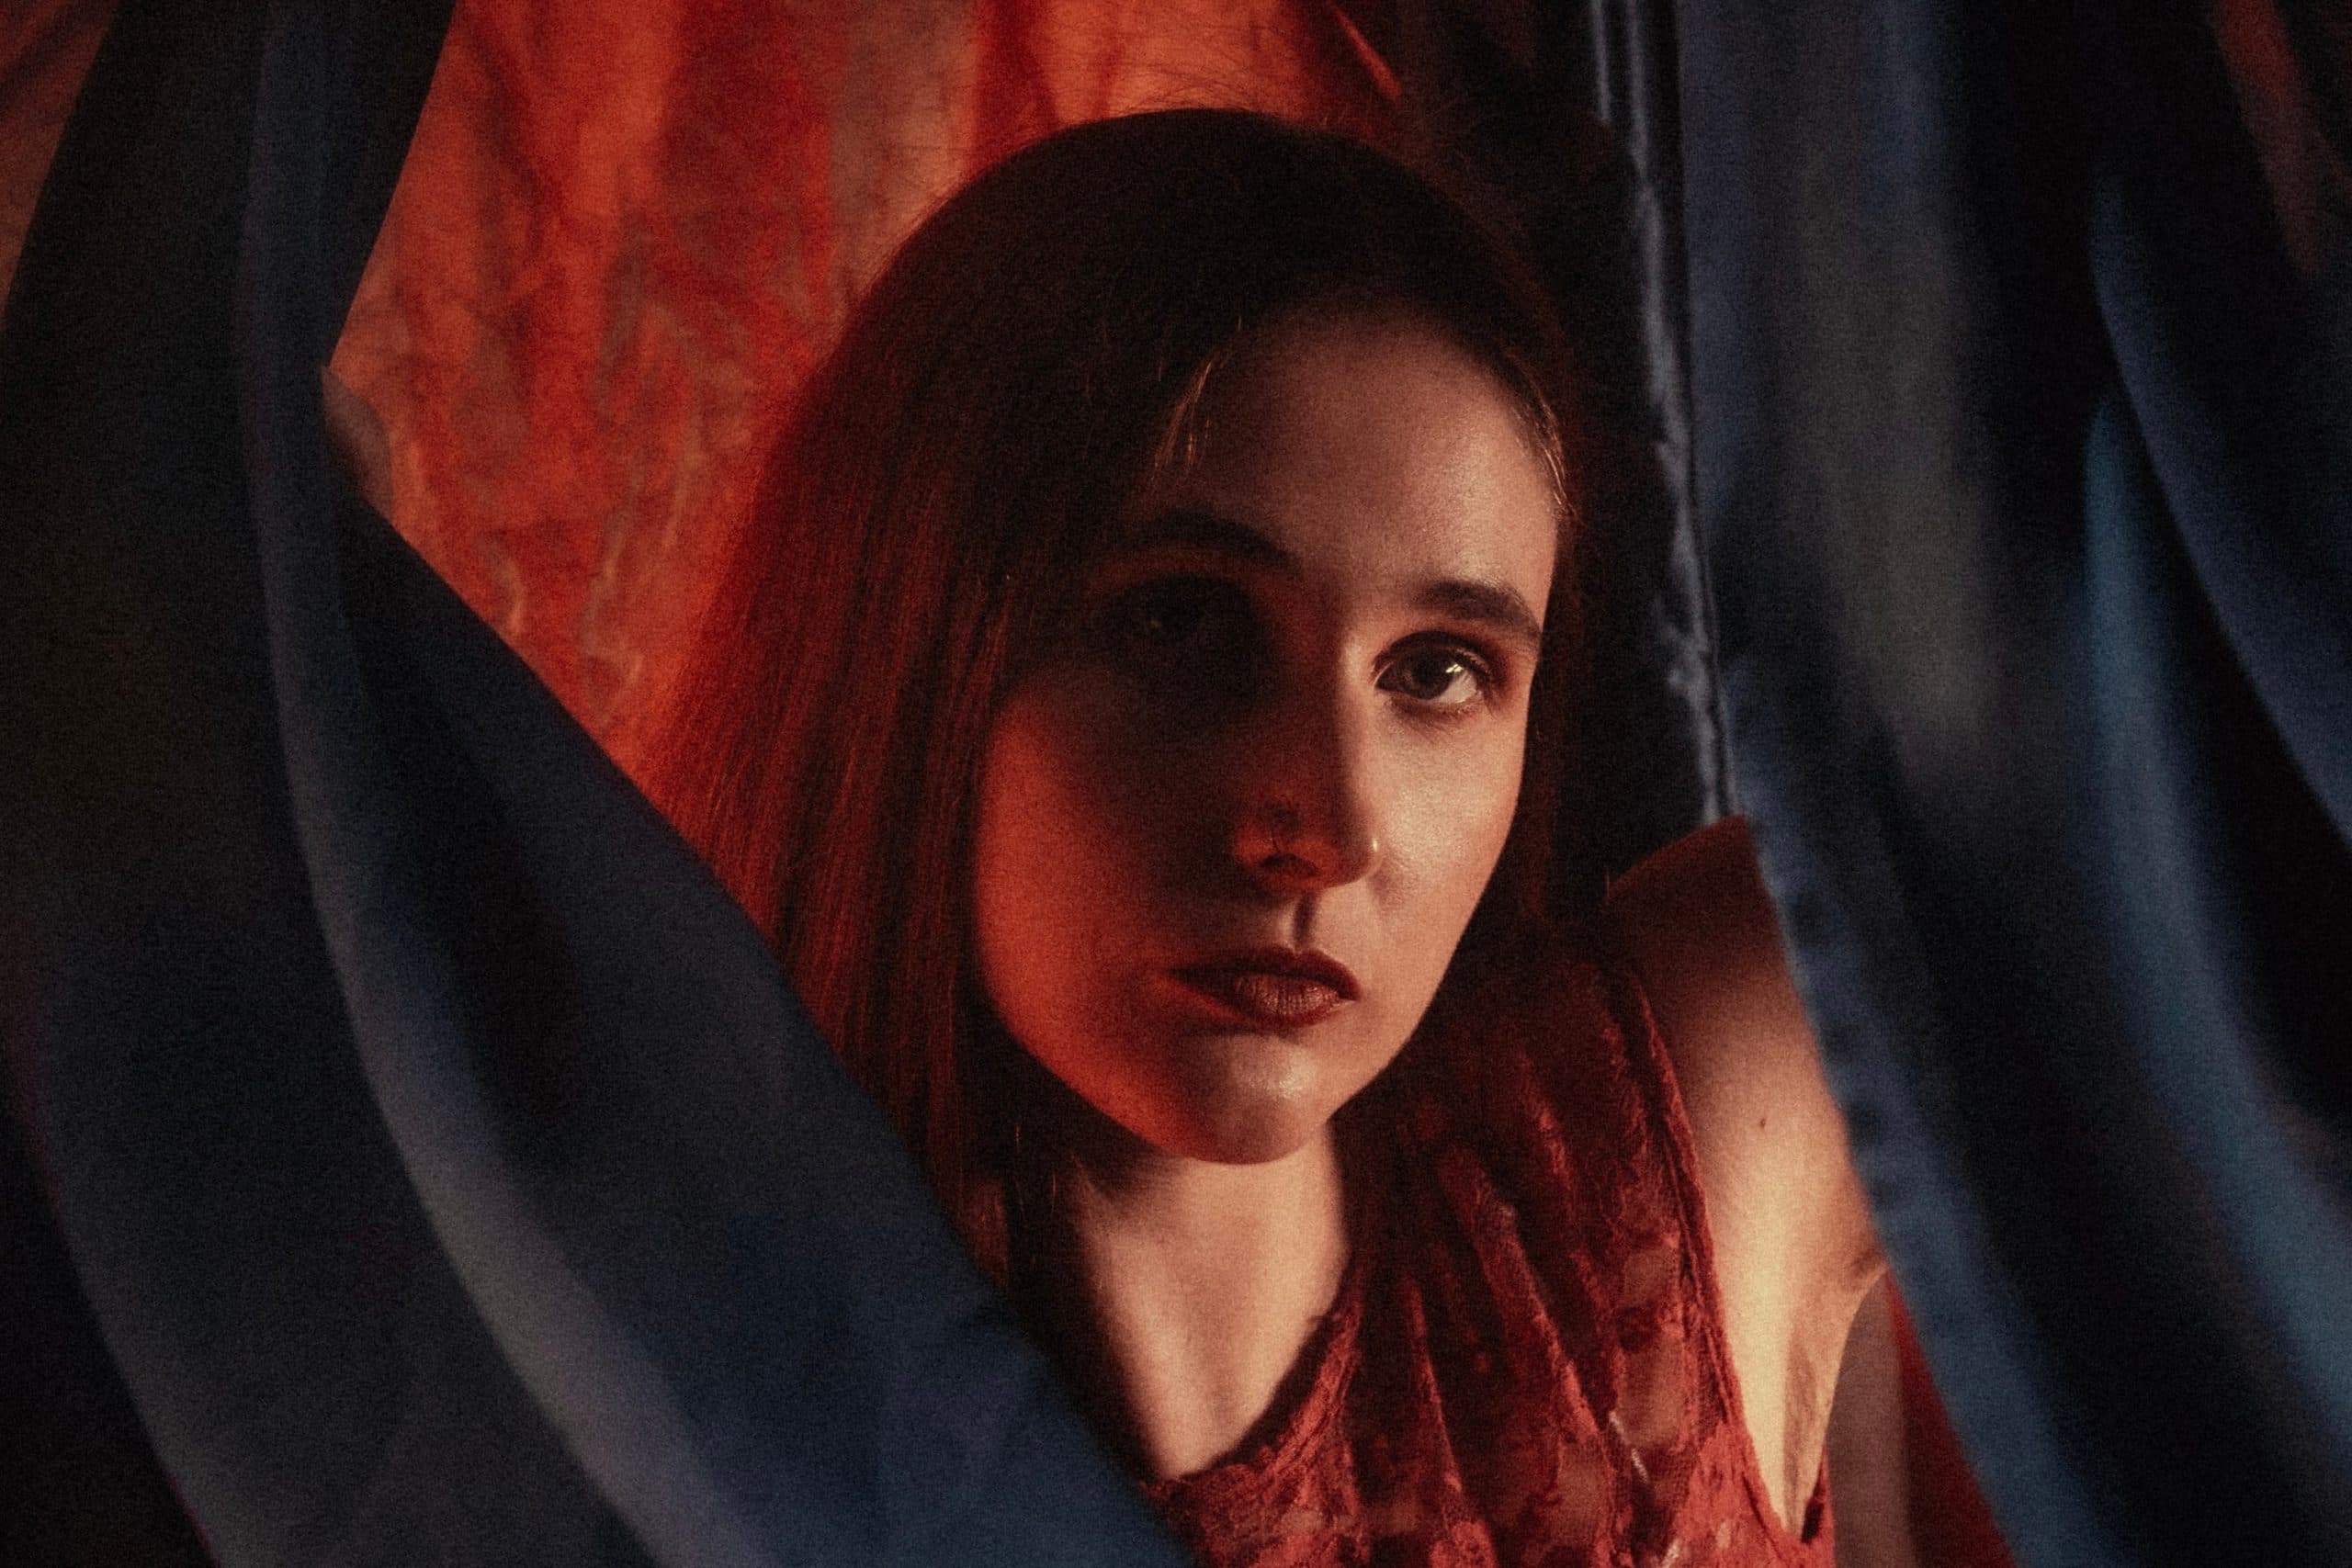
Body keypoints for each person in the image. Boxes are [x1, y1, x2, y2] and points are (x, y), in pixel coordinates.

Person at [653, 107, 1883, 1565]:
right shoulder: (645, 1375)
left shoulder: (1670, 1135)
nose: (1329, 828)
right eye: (1184, 624)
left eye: (1439, 670)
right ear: (903, 642)